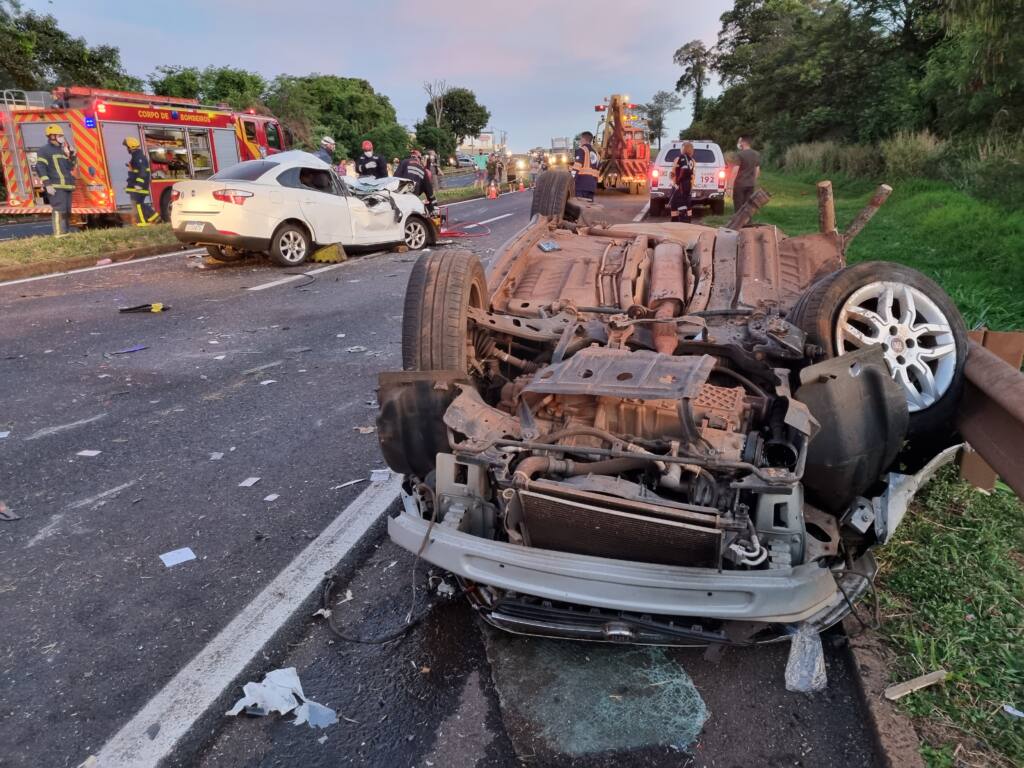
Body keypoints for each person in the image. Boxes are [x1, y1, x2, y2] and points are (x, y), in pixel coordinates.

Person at [35, 124, 77, 235]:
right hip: (56, 187)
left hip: (67, 186)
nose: (62, 138)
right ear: (52, 136)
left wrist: (72, 155)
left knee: (67, 212)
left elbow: (69, 167)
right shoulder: (44, 150)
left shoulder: (61, 151)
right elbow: (40, 167)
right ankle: (59, 235)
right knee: (59, 211)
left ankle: (65, 233)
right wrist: (47, 184)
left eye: (62, 136)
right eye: (59, 135)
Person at [123, 136, 160, 226]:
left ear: (130, 147)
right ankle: (153, 217)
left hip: (140, 186)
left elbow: (143, 171)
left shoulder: (138, 157)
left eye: (127, 147)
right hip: (137, 186)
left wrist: (139, 184)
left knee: (139, 204)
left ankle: (144, 222)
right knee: (139, 204)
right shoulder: (136, 157)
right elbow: (135, 172)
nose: (126, 149)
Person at [669, 141, 696, 223]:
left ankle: (675, 221)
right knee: (687, 203)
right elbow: (693, 175)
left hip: (678, 185)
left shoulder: (678, 159)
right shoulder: (692, 161)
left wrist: (672, 179)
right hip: (688, 186)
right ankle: (688, 220)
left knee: (674, 204)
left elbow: (673, 173)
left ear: (683, 149)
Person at [733, 136, 761, 212]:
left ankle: (739, 223)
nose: (739, 143)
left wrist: (729, 185)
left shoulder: (739, 155)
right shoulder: (756, 154)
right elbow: (757, 170)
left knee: (739, 207)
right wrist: (753, 181)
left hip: (740, 184)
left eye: (740, 141)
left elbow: (735, 171)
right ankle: (748, 222)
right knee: (748, 207)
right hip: (750, 185)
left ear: (743, 142)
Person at [571, 131, 600, 201]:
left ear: (583, 139)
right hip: (592, 186)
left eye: (580, 139)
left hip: (581, 185)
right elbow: (598, 171)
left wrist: (571, 180)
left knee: (580, 208)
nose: (580, 141)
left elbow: (576, 167)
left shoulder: (581, 150)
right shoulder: (597, 154)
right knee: (589, 208)